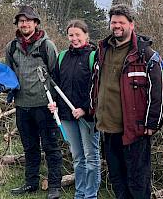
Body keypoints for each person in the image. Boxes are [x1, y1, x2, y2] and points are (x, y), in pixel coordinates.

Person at [90, 4, 163, 199]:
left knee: (138, 182)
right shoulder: (103, 51)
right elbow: (96, 83)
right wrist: (94, 110)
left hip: (135, 130)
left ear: (132, 25)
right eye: (113, 22)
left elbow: (158, 91)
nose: (116, 26)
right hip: (108, 128)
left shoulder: (146, 56)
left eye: (121, 22)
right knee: (118, 180)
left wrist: (152, 123)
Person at [5, 5, 62, 199]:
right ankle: (31, 183)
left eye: (28, 20)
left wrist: (55, 104)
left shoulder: (47, 46)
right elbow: (9, 74)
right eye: (21, 21)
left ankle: (54, 186)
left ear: (36, 23)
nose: (25, 24)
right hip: (22, 106)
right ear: (18, 24)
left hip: (44, 106)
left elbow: (56, 75)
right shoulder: (11, 47)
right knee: (29, 147)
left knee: (51, 147)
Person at [47, 20, 101, 199]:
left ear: (86, 35)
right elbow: (56, 84)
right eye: (71, 35)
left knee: (91, 158)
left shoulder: (94, 56)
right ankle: (80, 194)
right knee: (78, 158)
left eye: (78, 34)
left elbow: (99, 88)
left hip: (88, 117)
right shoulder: (62, 57)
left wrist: (85, 109)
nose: (74, 38)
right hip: (67, 116)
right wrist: (54, 103)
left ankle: (91, 195)